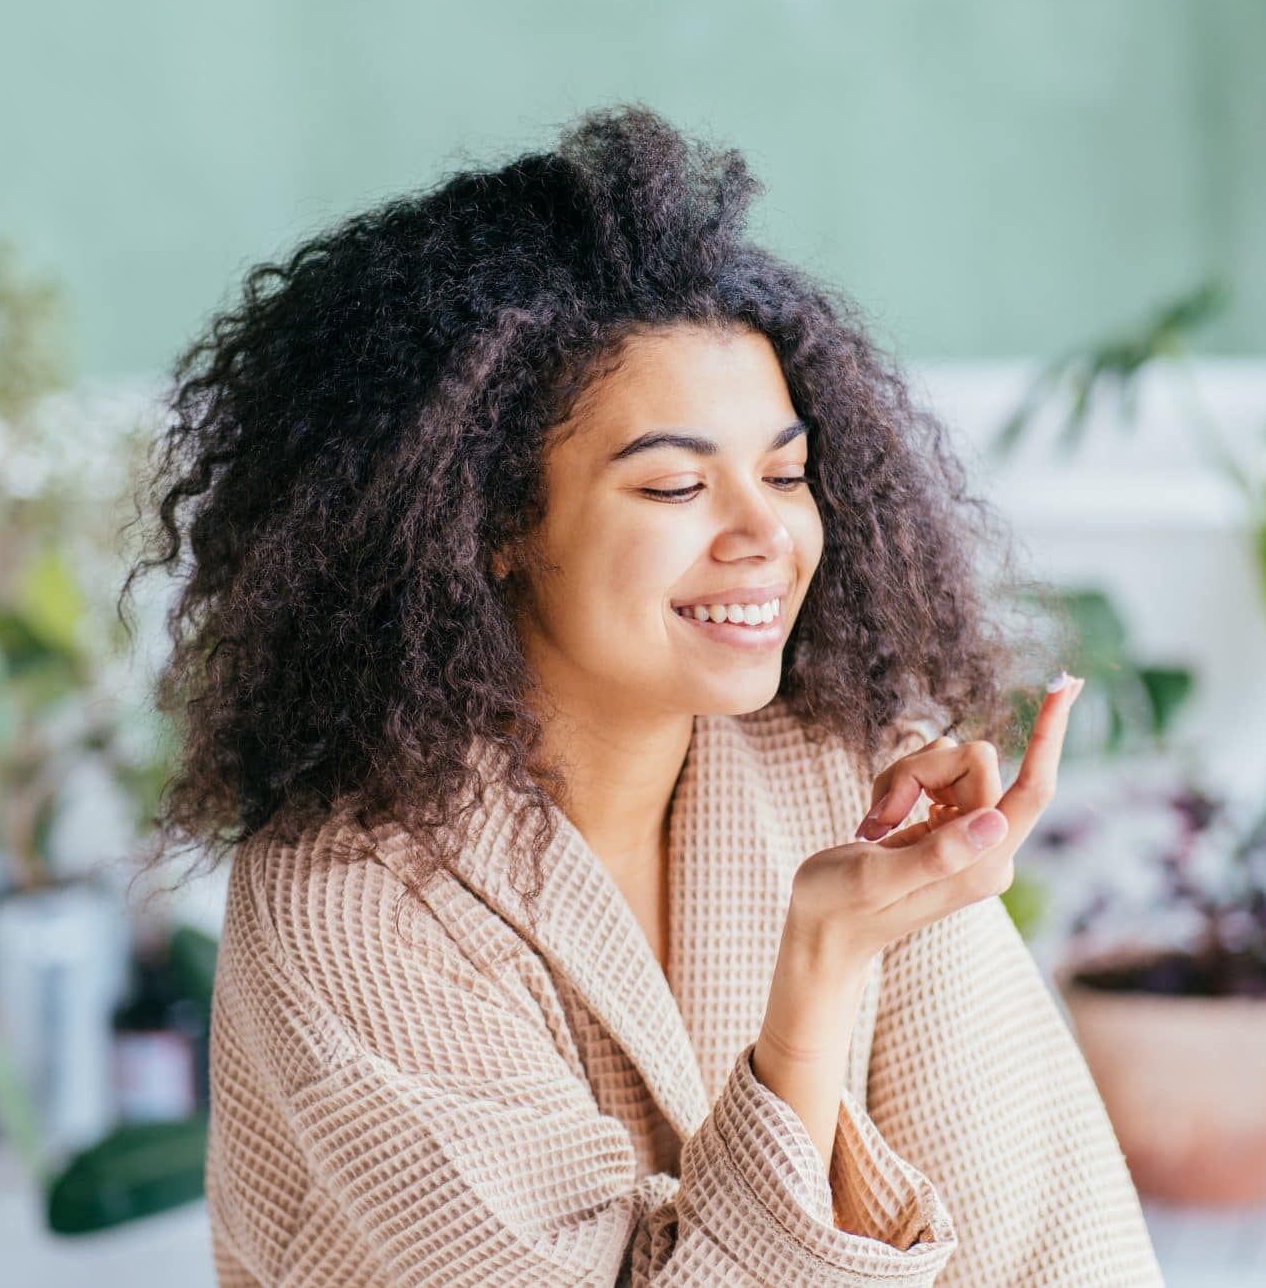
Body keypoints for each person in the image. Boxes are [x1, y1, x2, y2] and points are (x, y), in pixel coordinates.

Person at [122, 103, 1164, 1286]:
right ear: (494, 524)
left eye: (785, 472)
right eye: (674, 486)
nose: (765, 530)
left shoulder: (841, 777)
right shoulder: (348, 906)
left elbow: (1044, 1232)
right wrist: (815, 974)